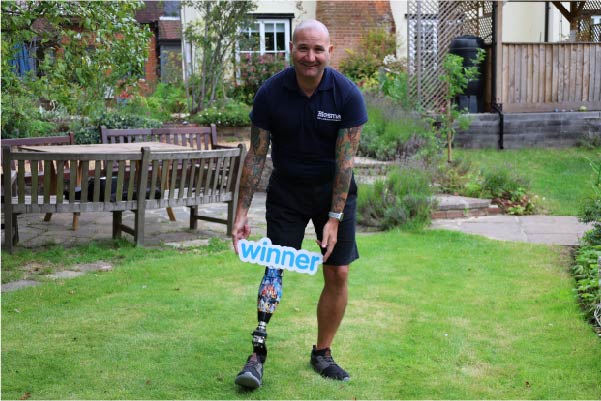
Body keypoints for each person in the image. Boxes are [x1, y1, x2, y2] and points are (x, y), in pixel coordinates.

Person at [231, 19, 367, 389]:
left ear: (330, 52)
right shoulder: (270, 93)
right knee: (275, 266)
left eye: (318, 49)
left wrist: (334, 217)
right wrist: (241, 213)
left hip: (332, 194)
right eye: (303, 48)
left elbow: (346, 163)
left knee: (337, 273)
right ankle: (257, 353)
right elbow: (256, 157)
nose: (310, 57)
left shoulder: (347, 96)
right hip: (287, 193)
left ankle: (322, 352)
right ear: (292, 48)